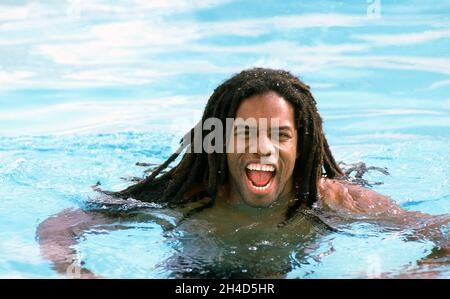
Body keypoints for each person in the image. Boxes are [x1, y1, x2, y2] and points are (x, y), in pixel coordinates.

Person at [37, 68, 449, 278]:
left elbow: (443, 238)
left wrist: (405, 273)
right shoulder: (183, 196)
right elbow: (58, 227)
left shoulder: (339, 201)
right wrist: (79, 272)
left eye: (280, 135)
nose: (262, 148)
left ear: (301, 147)